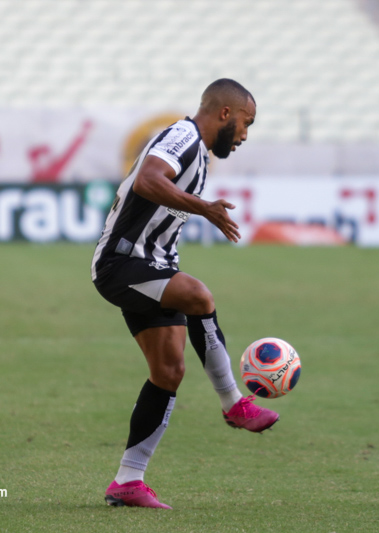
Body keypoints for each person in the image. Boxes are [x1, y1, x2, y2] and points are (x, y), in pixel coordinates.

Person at [91, 79, 279, 510]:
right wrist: (205, 208)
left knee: (169, 371)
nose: (246, 136)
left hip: (152, 266)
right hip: (122, 264)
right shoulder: (183, 136)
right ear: (225, 114)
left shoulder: (200, 154)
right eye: (246, 124)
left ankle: (128, 480)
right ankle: (234, 402)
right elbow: (147, 181)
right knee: (199, 296)